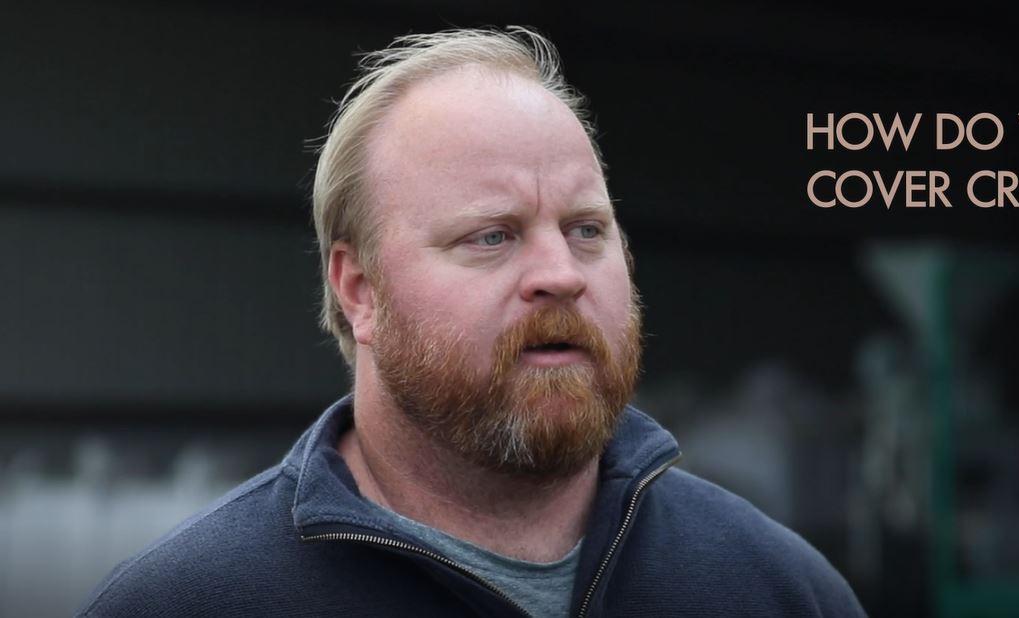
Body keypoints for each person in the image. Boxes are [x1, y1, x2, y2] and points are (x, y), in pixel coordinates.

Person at [78, 27, 865, 617]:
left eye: (587, 229)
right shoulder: (190, 604)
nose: (560, 273)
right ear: (359, 291)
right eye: (490, 236)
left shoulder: (780, 590)